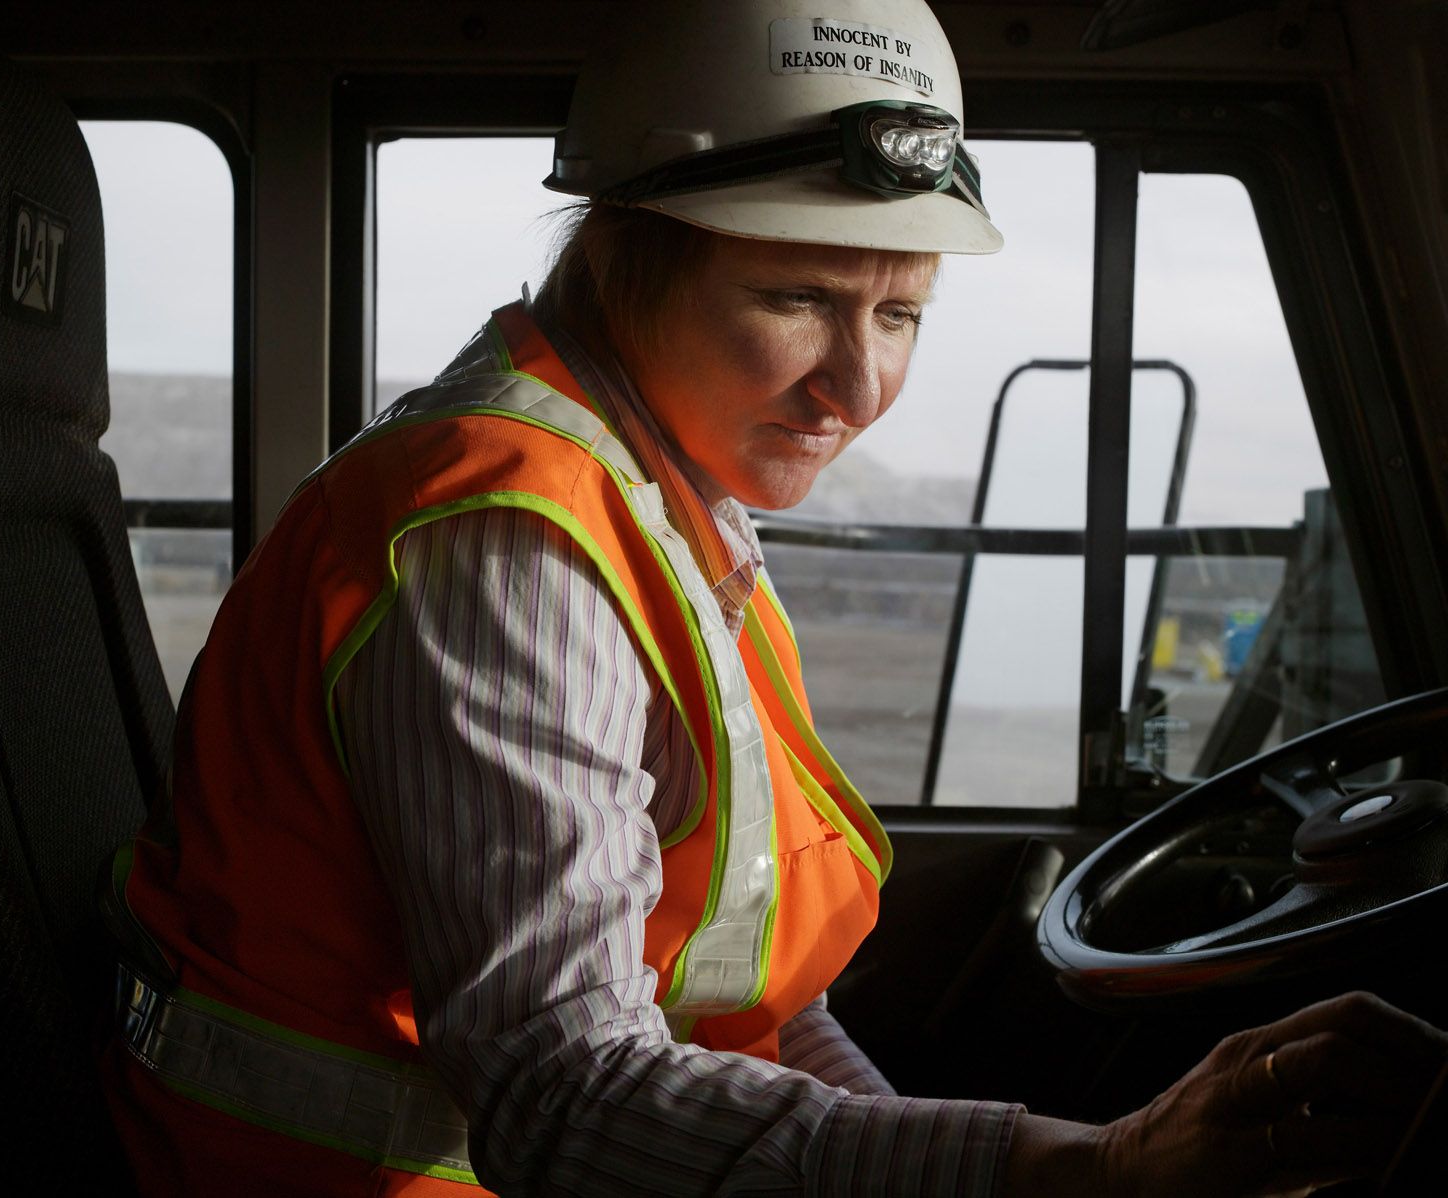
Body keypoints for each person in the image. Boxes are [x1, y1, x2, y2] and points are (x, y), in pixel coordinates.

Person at [98, 1, 1448, 1194]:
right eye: (797, 296)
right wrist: (1085, 1167)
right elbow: (561, 1095)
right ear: (628, 258)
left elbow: (722, 996)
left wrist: (973, 1160)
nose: (858, 389)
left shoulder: (668, 500)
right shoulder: (515, 548)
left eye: (902, 313)